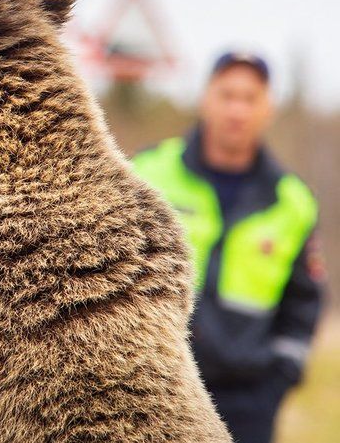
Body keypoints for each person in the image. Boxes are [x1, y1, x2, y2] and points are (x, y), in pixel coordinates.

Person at [132, 51, 323, 443]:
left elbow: (304, 303)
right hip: (154, 386)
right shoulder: (146, 173)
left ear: (267, 108)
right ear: (206, 99)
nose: (237, 109)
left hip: (248, 402)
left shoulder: (293, 202)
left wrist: (280, 379)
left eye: (250, 98)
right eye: (227, 95)